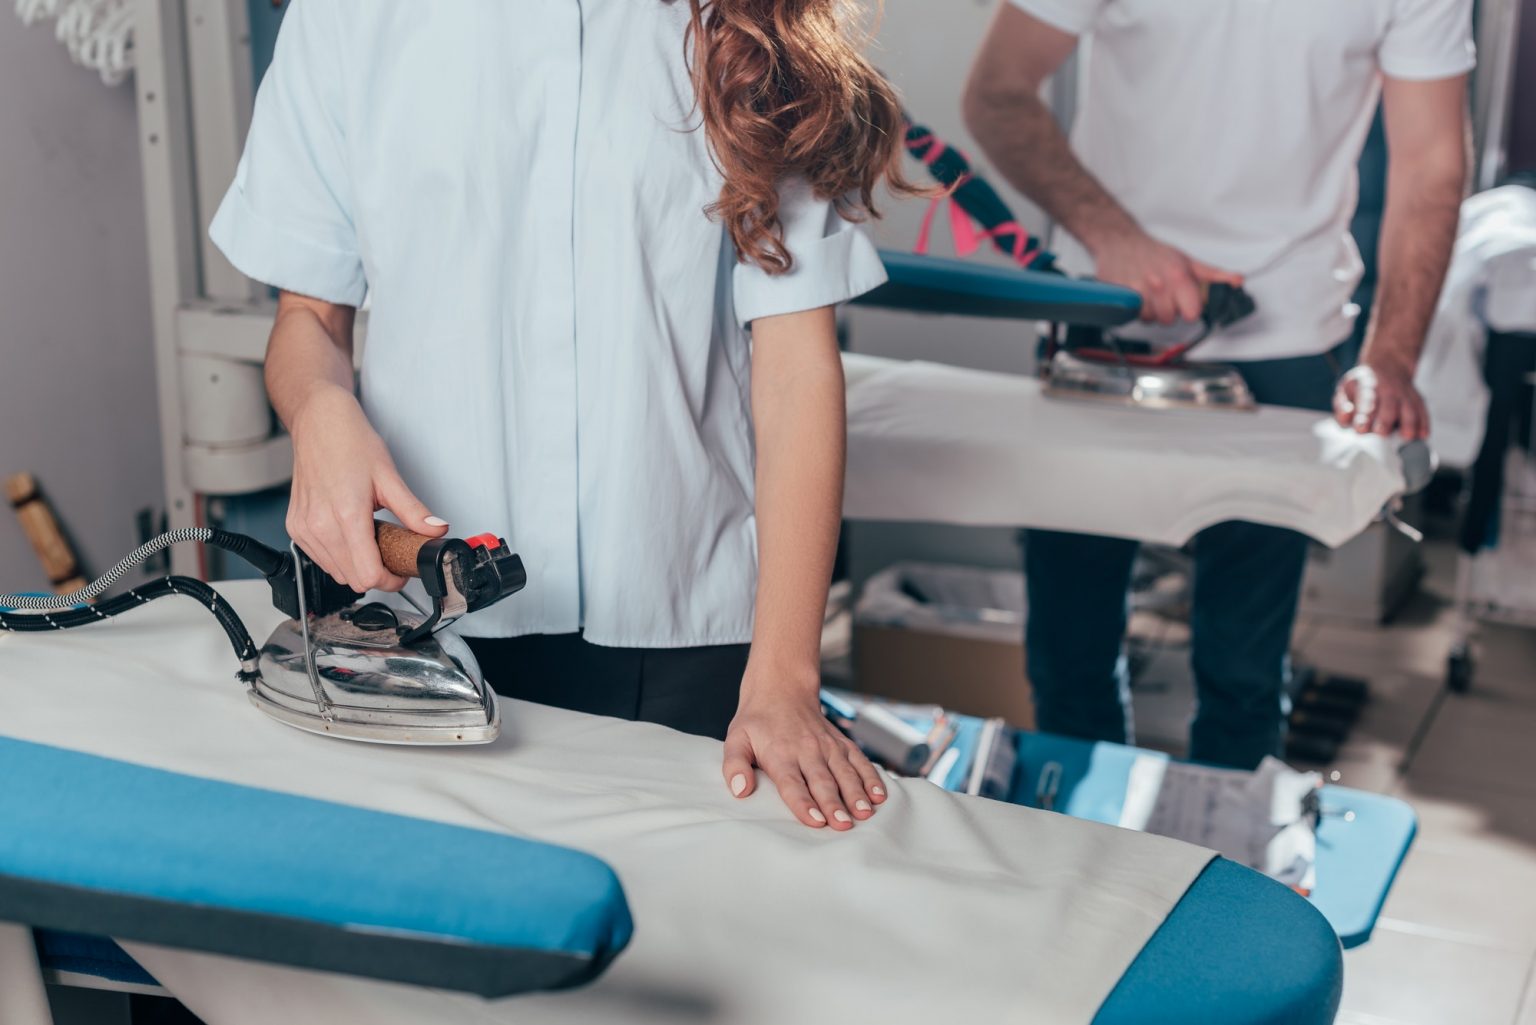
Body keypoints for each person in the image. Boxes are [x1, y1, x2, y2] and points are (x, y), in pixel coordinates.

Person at [211, 0, 916, 829]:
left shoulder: (743, 25)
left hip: (684, 621)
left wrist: (785, 678)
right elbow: (308, 323)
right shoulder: (351, 16)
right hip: (419, 620)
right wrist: (319, 406)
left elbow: (796, 365)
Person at [964, 0, 1472, 768]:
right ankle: (1080, 861)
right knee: (1070, 655)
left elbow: (1431, 161)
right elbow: (997, 92)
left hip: (1290, 339)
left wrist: (1391, 357)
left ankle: (1222, 873)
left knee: (1243, 671)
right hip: (1105, 316)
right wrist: (1116, 237)